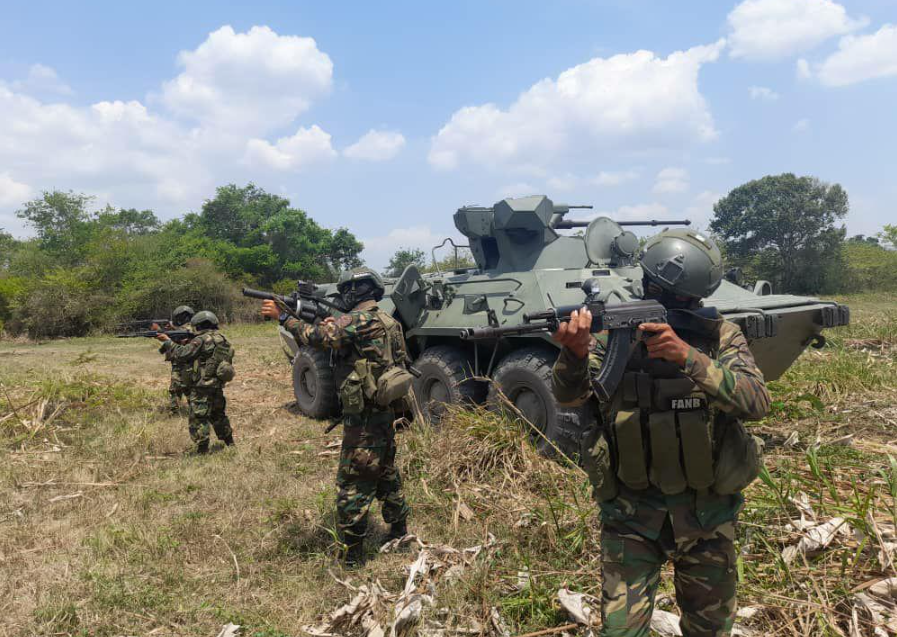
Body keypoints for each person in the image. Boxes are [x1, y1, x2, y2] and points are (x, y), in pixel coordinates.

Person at [551, 229, 771, 637]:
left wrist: (688, 357)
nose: (672, 304)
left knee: (710, 630)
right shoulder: (612, 334)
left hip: (707, 518)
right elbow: (569, 397)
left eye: (682, 301)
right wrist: (574, 354)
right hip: (631, 516)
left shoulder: (721, 335)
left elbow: (757, 401)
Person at [260, 267, 411, 567]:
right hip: (384, 413)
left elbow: (312, 336)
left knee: (352, 482)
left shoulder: (357, 320)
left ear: (354, 292)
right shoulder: (389, 321)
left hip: (364, 418)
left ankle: (352, 554)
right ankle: (399, 530)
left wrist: (283, 316)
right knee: (385, 472)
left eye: (346, 292)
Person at [157, 311, 235, 453]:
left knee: (199, 417)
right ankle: (230, 443)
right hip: (217, 385)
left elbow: (182, 353)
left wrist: (167, 341)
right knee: (218, 415)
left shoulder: (201, 340)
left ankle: (202, 449)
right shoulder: (223, 339)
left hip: (201, 386)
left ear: (198, 325)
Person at [158, 305, 195, 414]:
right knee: (175, 387)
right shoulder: (180, 329)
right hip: (178, 362)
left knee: (188, 387)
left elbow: (187, 335)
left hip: (189, 362)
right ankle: (174, 410)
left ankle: (195, 409)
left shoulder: (191, 328)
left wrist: (170, 331)